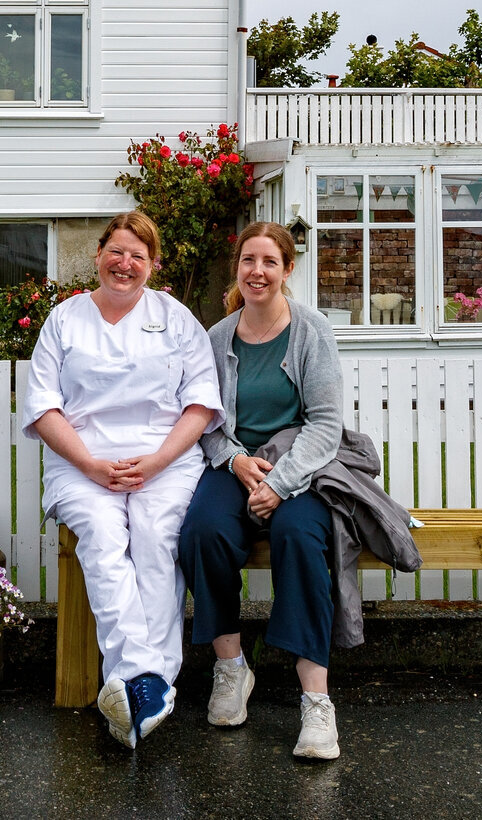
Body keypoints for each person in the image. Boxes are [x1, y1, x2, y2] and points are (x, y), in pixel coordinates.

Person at [22, 211, 222, 749]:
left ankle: (142, 686)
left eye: (138, 255)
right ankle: (145, 680)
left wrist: (155, 462)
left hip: (166, 463)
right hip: (83, 465)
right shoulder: (64, 320)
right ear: (98, 255)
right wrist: (90, 465)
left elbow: (200, 404)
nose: (125, 263)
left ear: (153, 265)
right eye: (116, 251)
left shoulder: (177, 319)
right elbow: (44, 408)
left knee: (157, 540)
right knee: (106, 540)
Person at [179, 221, 346, 761]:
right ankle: (231, 668)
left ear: (287, 269)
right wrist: (235, 461)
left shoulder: (312, 331)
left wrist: (279, 481)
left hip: (301, 470)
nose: (257, 271)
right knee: (202, 531)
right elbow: (205, 421)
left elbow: (324, 424)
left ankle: (316, 701)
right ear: (238, 267)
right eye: (249, 260)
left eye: (269, 262)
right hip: (235, 467)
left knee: (300, 540)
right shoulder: (217, 338)